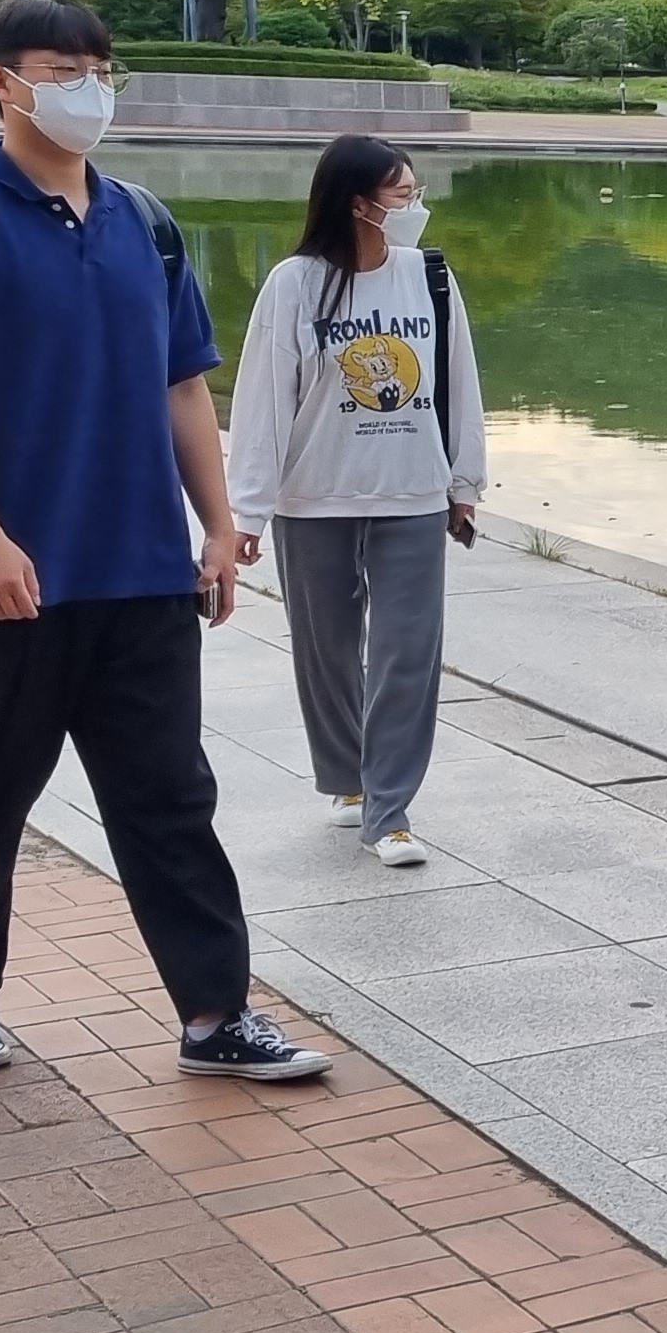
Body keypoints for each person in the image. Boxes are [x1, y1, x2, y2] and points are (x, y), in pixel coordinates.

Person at [0, 0, 328, 1084]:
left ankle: (215, 1016)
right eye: (64, 70)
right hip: (1, 583)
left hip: (141, 576)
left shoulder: (145, 223)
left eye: (101, 69)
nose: (90, 89)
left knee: (171, 802)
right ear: (3, 84)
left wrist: (218, 524)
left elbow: (183, 386)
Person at [225, 134, 488, 869]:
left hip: (413, 492)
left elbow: (459, 383)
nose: (414, 206)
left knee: (409, 654)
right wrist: (248, 512)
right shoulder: (295, 284)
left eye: (414, 191)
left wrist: (464, 485)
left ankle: (389, 810)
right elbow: (263, 401)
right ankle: (347, 776)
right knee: (329, 651)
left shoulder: (429, 277)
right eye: (401, 194)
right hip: (315, 498)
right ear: (356, 203)